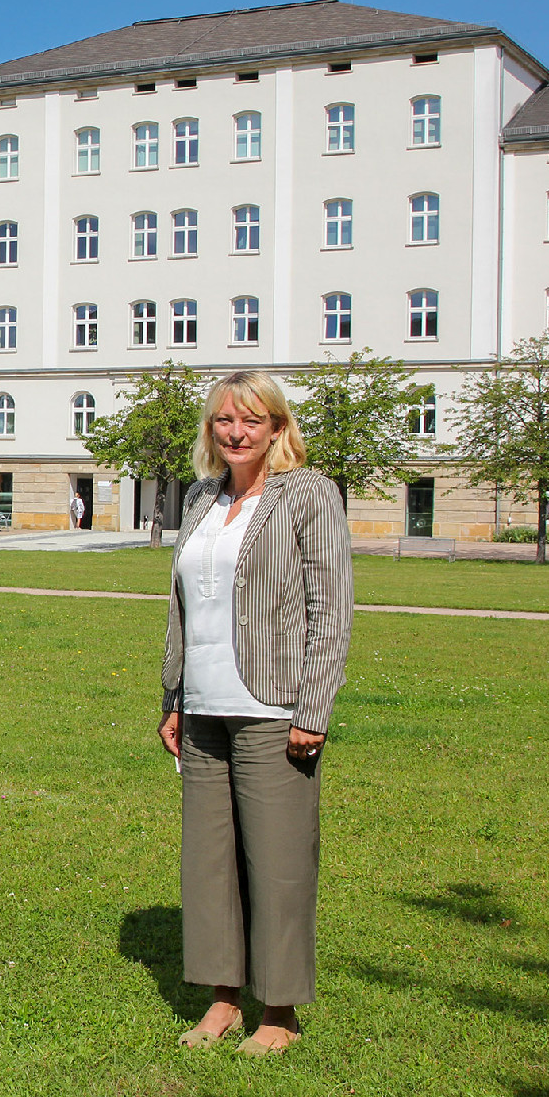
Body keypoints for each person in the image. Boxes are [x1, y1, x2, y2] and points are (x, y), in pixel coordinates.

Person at [156, 370, 353, 1056]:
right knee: (208, 864)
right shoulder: (204, 499)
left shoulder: (307, 494)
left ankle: (281, 1010)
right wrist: (174, 697)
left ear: (276, 428)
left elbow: (331, 607)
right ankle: (221, 1001)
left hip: (275, 707)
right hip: (204, 706)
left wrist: (313, 706)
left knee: (277, 863)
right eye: (223, 421)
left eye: (251, 421)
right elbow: (183, 607)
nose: (236, 433)